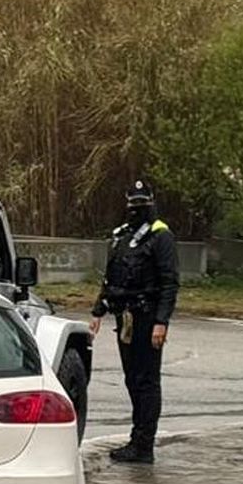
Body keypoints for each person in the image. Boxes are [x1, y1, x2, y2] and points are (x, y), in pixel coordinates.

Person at [89, 179, 180, 464]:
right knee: (132, 379)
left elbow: (169, 283)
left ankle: (144, 445)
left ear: (151, 202)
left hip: (147, 317)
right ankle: (136, 439)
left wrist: (161, 321)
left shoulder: (160, 235)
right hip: (125, 317)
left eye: (142, 203)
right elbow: (111, 276)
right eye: (133, 203)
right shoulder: (122, 236)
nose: (136, 208)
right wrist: (98, 311)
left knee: (146, 382)